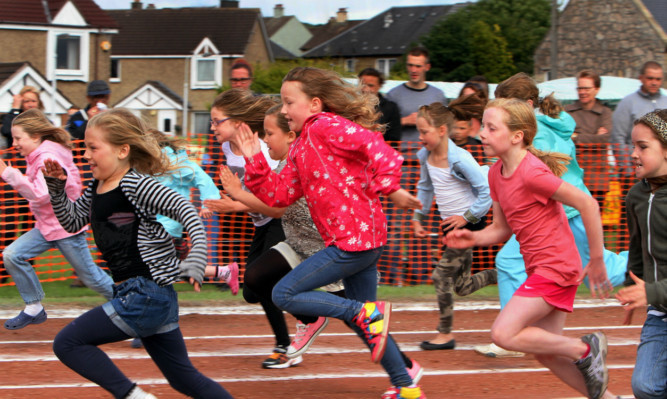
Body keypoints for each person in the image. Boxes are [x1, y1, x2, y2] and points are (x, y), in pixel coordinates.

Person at [237, 66, 425, 398]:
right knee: (366, 323)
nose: (283, 109)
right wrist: (254, 159)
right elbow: (279, 195)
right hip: (359, 242)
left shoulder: (325, 125)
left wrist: (390, 187)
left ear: (314, 104)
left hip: (353, 241)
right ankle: (406, 385)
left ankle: (365, 314)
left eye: (288, 102)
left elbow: (376, 147)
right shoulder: (300, 147)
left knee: (284, 294)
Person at [43, 108, 232, 399]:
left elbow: (186, 212)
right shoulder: (97, 186)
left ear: (122, 150)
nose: (86, 155)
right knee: (183, 379)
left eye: (93, 148)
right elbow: (71, 220)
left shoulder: (136, 184)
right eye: (84, 148)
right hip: (146, 294)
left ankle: (132, 396)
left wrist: (197, 257)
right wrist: (57, 188)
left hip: (145, 294)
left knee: (68, 343)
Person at [446, 98, 615, 399]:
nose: (482, 133)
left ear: (516, 136)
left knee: (503, 334)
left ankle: (585, 348)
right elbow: (502, 229)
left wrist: (598, 257)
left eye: (490, 127)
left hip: (558, 267)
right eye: (482, 126)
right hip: (541, 267)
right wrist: (472, 238)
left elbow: (587, 203)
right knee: (546, 353)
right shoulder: (497, 174)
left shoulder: (531, 173)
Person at [475, 73, 629, 359]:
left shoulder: (539, 132)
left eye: (508, 102)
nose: (501, 108)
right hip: (561, 213)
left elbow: (548, 173)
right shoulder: (543, 126)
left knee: (605, 269)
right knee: (512, 261)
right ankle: (518, 335)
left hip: (567, 212)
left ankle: (512, 335)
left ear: (528, 104)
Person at [0, 109, 114, 330]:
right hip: (47, 227)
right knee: (12, 255)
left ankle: (133, 309)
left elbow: (41, 194)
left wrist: (8, 174)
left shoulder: (47, 157)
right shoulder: (38, 155)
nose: (14, 143)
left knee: (93, 279)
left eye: (18, 138)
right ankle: (34, 307)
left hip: (66, 227)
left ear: (35, 137)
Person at [204, 88, 290, 368]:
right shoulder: (228, 148)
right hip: (262, 222)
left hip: (282, 221)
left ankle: (285, 346)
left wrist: (234, 205)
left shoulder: (263, 149)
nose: (212, 126)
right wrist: (219, 203)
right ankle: (305, 308)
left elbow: (275, 199)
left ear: (238, 122)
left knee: (259, 280)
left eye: (217, 121)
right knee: (252, 292)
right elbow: (243, 192)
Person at [411, 102, 495, 350]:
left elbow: (486, 192)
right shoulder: (425, 155)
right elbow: (425, 187)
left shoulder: (460, 159)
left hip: (467, 225)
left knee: (441, 276)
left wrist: (466, 217)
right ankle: (503, 275)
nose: (420, 137)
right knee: (462, 285)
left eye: (424, 131)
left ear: (441, 131)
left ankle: (445, 334)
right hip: (450, 225)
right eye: (419, 131)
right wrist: (418, 218)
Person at [615, 109, 667, 399]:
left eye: (643, 147)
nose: (633, 153)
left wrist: (652, 292)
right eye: (632, 145)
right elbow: (636, 247)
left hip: (657, 296)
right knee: (645, 388)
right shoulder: (635, 195)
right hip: (660, 311)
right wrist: (631, 289)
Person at [385, 46, 447, 286]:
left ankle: (420, 276)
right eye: (410, 65)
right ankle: (390, 276)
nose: (413, 70)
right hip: (399, 167)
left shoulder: (438, 95)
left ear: (426, 67)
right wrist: (404, 121)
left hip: (427, 167)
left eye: (418, 66)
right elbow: (382, 126)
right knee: (394, 223)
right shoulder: (393, 95)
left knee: (422, 221)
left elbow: (445, 129)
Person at [565, 70, 614, 208]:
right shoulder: (568, 111)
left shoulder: (605, 112)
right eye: (580, 88)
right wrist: (594, 137)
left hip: (597, 177)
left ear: (596, 89)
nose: (582, 92)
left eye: (586, 88)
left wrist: (577, 136)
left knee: (595, 219)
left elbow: (604, 139)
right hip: (573, 175)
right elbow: (564, 137)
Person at [358, 68, 402, 146]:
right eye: (363, 85)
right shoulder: (351, 106)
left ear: (379, 86)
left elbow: (394, 138)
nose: (366, 89)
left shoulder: (390, 108)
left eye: (370, 86)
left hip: (381, 153)